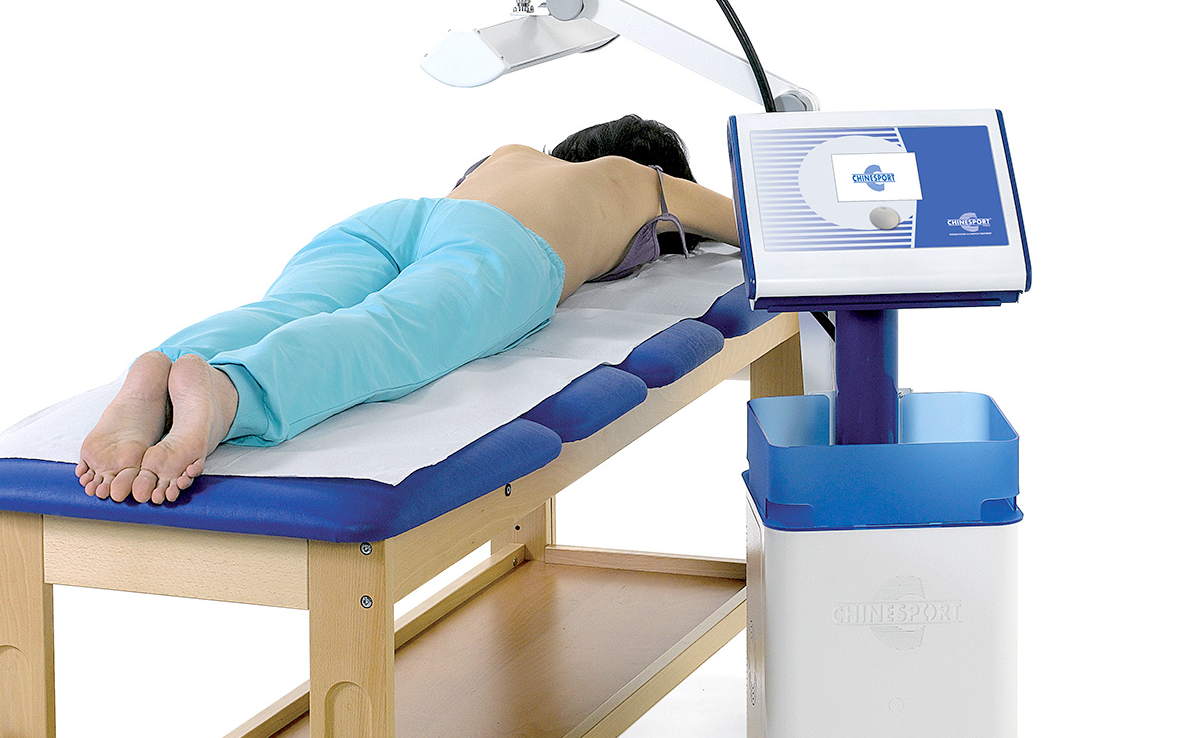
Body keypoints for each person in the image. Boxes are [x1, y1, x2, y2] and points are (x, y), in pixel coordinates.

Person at [76, 116, 741, 504]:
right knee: (387, 333)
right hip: (504, 248)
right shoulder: (643, 181)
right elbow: (752, 226)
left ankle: (168, 364)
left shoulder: (511, 154)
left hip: (396, 219)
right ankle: (231, 393)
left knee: (292, 305)